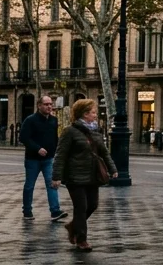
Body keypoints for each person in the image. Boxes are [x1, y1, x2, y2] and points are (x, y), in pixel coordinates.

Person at [51, 98, 117, 252]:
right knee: (81, 207)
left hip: (92, 176)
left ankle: (73, 226)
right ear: (84, 114)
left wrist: (112, 169)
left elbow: (104, 153)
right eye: (93, 112)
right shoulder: (70, 132)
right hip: (75, 176)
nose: (96, 115)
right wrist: (56, 177)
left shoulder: (95, 131)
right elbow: (60, 155)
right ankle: (82, 239)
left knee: (92, 205)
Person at [20, 96, 68, 222]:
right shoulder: (30, 120)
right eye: (46, 104)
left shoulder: (53, 120)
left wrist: (57, 152)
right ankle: (27, 211)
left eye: (50, 104)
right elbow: (23, 138)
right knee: (30, 185)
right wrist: (37, 148)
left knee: (52, 184)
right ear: (39, 105)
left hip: (49, 159)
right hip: (32, 159)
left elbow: (55, 138)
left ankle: (55, 211)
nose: (49, 106)